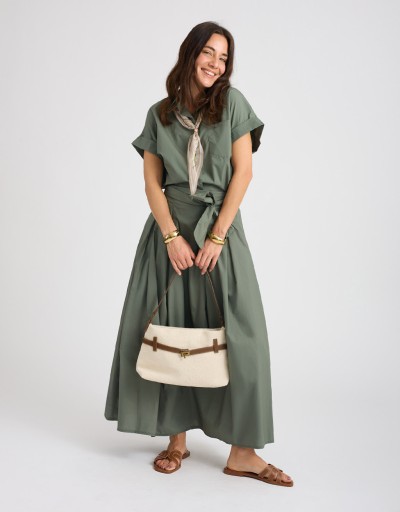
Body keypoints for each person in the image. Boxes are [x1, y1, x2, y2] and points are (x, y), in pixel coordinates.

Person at [104, 21, 293, 487]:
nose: (216, 64)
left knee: (243, 336)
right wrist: (171, 236)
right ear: (190, 53)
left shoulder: (233, 105)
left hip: (219, 229)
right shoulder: (159, 114)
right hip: (168, 233)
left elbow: (243, 173)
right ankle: (176, 440)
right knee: (173, 330)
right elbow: (152, 182)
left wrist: (217, 236)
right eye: (209, 52)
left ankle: (243, 453)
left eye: (224, 57)